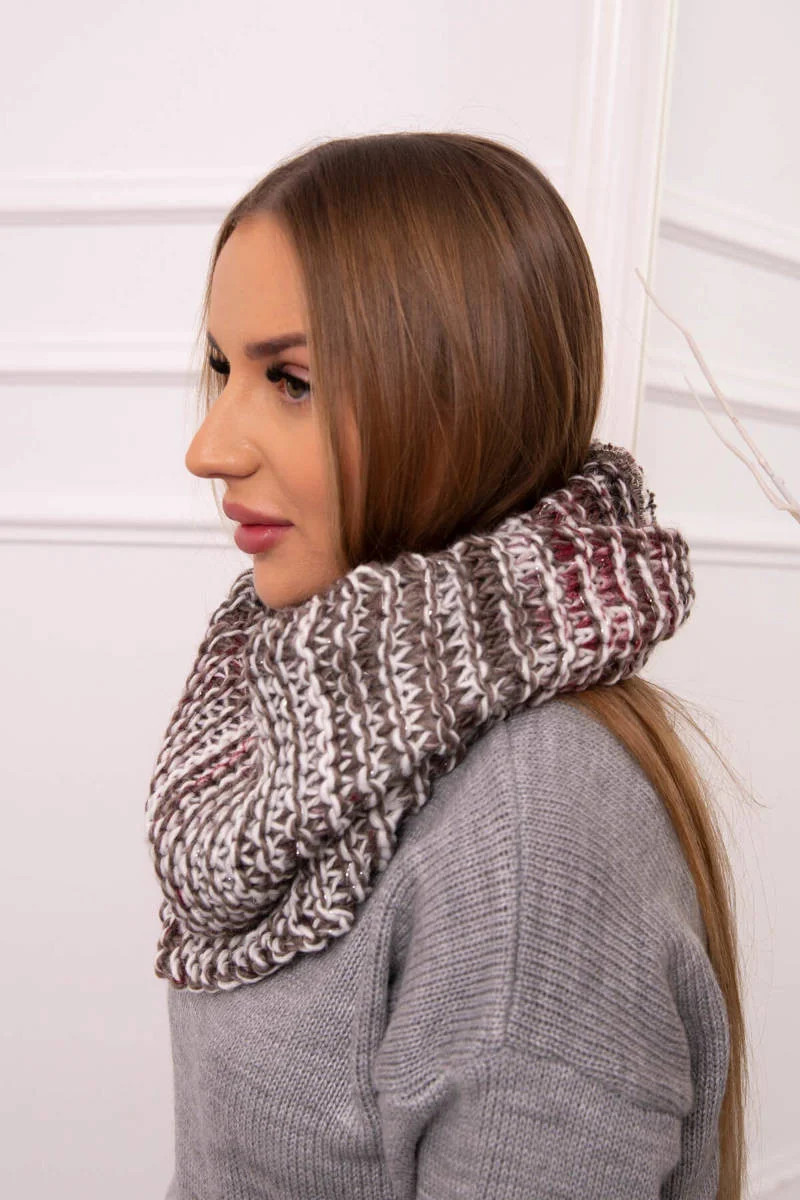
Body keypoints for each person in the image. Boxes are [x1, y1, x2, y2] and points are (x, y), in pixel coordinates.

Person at [145, 132, 749, 1199]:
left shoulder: (531, 830)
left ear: (456, 400)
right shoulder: (277, 706)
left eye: (291, 381)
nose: (209, 448)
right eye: (222, 370)